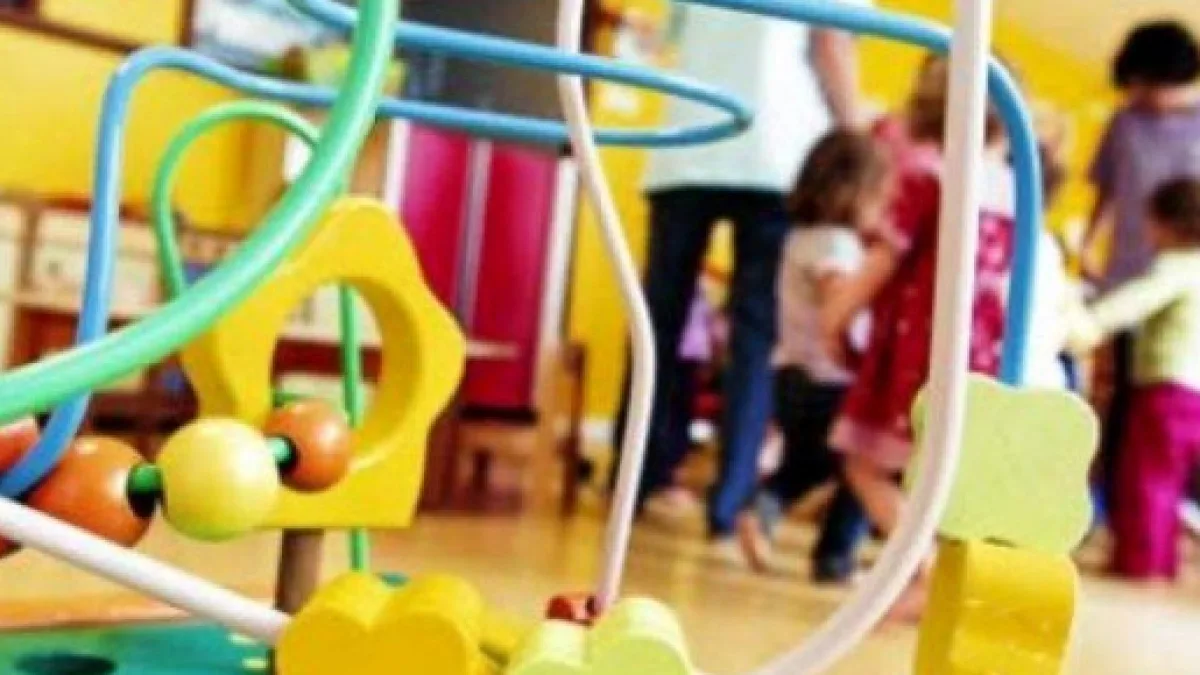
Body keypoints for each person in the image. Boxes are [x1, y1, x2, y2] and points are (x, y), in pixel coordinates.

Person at [620, 0, 872, 551]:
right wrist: (859, 139)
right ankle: (728, 506)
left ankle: (631, 482)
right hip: (775, 152)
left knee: (656, 324)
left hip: (685, 145)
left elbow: (666, 37)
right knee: (755, 340)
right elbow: (831, 43)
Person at [821, 55, 1016, 615]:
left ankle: (929, 573)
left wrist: (836, 316)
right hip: (982, 353)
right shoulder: (1007, 185)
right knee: (942, 469)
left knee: (865, 462)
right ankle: (932, 576)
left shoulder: (929, 172)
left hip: (917, 348)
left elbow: (884, 258)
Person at [736, 130, 891, 583]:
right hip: (831, 379)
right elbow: (836, 299)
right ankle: (834, 556)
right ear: (855, 192)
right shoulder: (835, 245)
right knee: (863, 464)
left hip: (792, 373)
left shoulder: (800, 238)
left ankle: (764, 509)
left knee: (805, 465)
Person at [1083, 20, 1200, 523]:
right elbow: (1108, 189)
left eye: (1146, 84)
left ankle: (1174, 509)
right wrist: (1089, 242)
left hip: (1185, 283)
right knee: (1125, 397)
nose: (1139, 95)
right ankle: (1114, 506)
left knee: (1172, 396)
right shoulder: (1124, 123)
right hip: (1128, 275)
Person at [1067, 178, 1200, 579]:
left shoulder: (1177, 266)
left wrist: (1087, 325)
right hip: (1193, 393)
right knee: (1170, 481)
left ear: (1169, 225)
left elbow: (1134, 302)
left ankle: (1142, 566)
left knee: (1148, 477)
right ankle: (1162, 563)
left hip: (1167, 390)